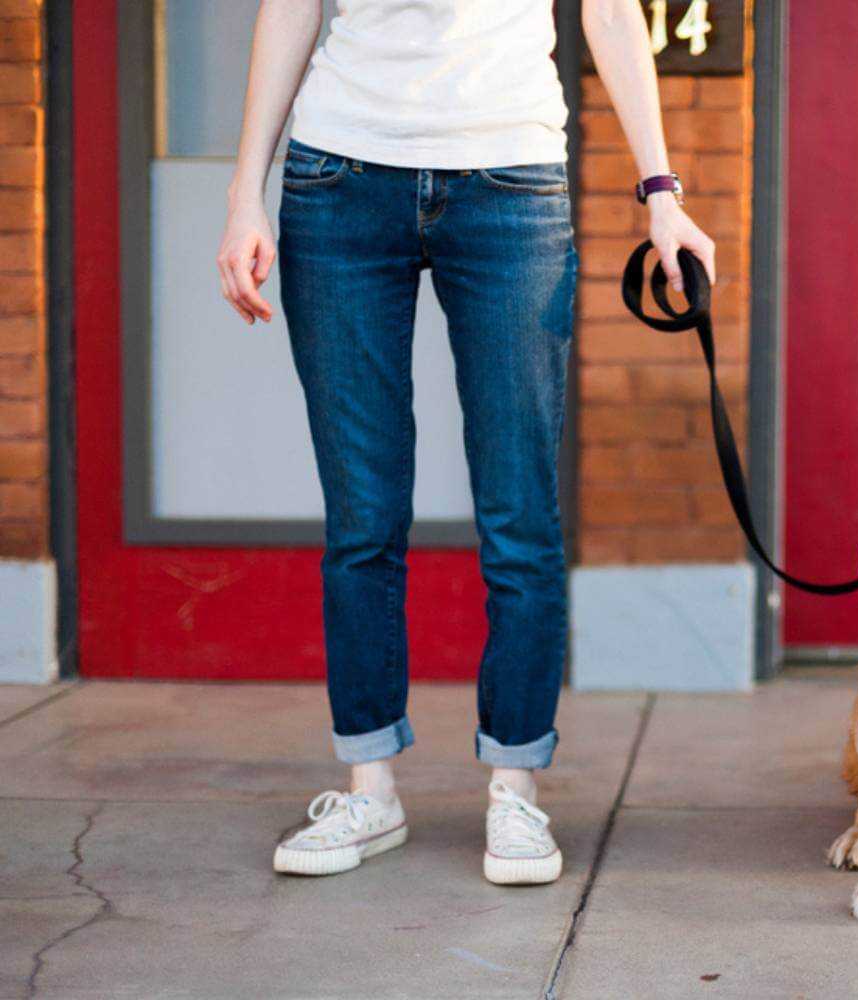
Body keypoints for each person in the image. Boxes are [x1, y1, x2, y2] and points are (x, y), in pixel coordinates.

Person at [216, 0, 714, 884]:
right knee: (362, 515)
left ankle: (516, 790)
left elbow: (610, 13)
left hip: (510, 183)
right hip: (338, 181)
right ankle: (371, 788)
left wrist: (662, 193)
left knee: (520, 512)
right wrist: (242, 191)